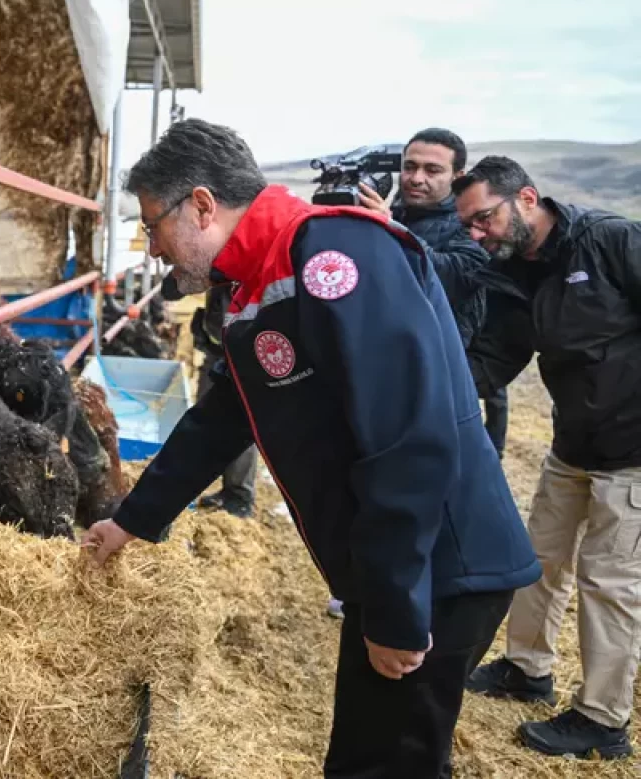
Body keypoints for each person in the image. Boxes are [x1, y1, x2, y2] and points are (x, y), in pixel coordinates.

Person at [81, 119, 541, 778]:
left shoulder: (335, 258)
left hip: (438, 564)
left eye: (153, 225)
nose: (152, 249)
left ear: (202, 205)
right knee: (370, 757)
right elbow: (225, 416)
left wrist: (394, 609)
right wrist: (131, 520)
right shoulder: (257, 280)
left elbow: (407, 437)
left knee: (386, 764)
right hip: (398, 564)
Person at [456, 156, 640, 761]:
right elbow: (497, 355)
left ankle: (602, 720)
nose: (477, 233)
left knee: (608, 582)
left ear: (527, 199)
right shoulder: (513, 270)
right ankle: (526, 668)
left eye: (483, 218)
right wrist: (433, 397)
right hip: (573, 444)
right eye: (468, 225)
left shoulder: (609, 241)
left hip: (633, 451)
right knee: (537, 559)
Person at [357, 127, 509, 458]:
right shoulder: (395, 212)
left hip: (445, 378)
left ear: (458, 177)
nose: (416, 178)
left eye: (432, 170)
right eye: (410, 167)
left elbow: (454, 275)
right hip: (389, 371)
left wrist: (391, 229)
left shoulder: (472, 223)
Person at [188, 284, 259, 518]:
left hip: (239, 354)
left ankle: (240, 496)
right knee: (208, 419)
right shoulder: (217, 273)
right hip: (217, 349)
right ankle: (229, 490)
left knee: (239, 422)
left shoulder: (241, 273)